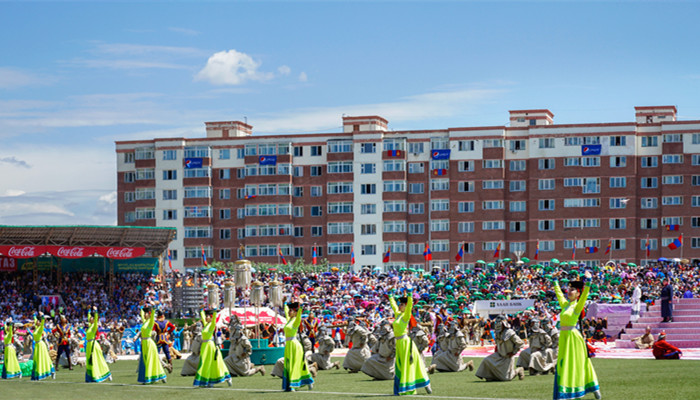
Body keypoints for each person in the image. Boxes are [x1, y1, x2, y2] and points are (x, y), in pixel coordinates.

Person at [552, 272, 601, 400]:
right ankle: (566, 391)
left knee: (576, 364)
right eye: (569, 289)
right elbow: (558, 293)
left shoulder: (577, 306)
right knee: (563, 364)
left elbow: (585, 295)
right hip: (564, 338)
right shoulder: (565, 305)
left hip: (573, 338)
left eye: (573, 290)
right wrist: (555, 280)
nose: (569, 291)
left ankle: (590, 388)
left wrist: (589, 281)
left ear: (578, 293)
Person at [390, 294, 432, 395]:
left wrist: (409, 294)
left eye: (402, 304)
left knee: (407, 366)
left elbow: (409, 306)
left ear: (405, 306)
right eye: (399, 304)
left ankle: (409, 388)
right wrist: (390, 295)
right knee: (399, 366)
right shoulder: (398, 315)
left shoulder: (405, 316)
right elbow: (393, 305)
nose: (399, 306)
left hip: (405, 343)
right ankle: (401, 387)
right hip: (399, 343)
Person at [475, 317, 525, 381]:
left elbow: (520, 343)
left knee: (506, 378)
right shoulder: (498, 333)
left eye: (499, 323)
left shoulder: (510, 333)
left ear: (503, 323)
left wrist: (513, 352)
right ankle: (490, 376)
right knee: (486, 360)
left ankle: (519, 370)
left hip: (508, 356)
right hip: (499, 355)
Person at [194, 309, 231, 387]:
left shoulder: (211, 326)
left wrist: (214, 312)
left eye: (208, 316)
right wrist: (201, 310)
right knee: (205, 363)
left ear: (210, 317)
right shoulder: (206, 325)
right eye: (206, 316)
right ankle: (208, 380)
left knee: (210, 362)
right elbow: (203, 318)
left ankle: (220, 379)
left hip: (210, 346)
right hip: (204, 346)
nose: (206, 318)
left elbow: (214, 321)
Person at [282, 301, 314, 391]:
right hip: (288, 345)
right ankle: (309, 381)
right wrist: (285, 305)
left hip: (295, 345)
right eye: (289, 311)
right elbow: (286, 312)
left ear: (295, 312)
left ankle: (293, 385)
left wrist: (300, 309)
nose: (289, 312)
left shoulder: (295, 321)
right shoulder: (289, 320)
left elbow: (299, 317)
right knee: (289, 364)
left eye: (291, 311)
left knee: (295, 364)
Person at [137, 307, 167, 384]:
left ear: (149, 314)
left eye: (146, 313)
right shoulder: (144, 322)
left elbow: (152, 317)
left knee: (151, 360)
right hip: (144, 343)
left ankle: (150, 378)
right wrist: (141, 308)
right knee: (146, 360)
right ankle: (159, 376)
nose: (144, 315)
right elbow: (142, 314)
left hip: (149, 343)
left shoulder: (150, 322)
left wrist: (153, 310)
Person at [85, 309, 112, 382]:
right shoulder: (90, 326)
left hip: (94, 345)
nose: (90, 318)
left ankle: (107, 373)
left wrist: (96, 311)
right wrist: (89, 311)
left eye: (92, 318)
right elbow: (88, 317)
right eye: (90, 318)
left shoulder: (94, 326)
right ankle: (91, 377)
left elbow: (96, 319)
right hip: (89, 345)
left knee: (97, 360)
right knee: (89, 361)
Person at [31, 313, 55, 381]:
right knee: (37, 360)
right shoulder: (36, 328)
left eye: (38, 321)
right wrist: (34, 315)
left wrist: (42, 317)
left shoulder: (41, 328)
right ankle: (37, 374)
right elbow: (35, 320)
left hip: (41, 345)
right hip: (37, 345)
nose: (37, 322)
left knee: (44, 359)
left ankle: (52, 371)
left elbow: (42, 322)